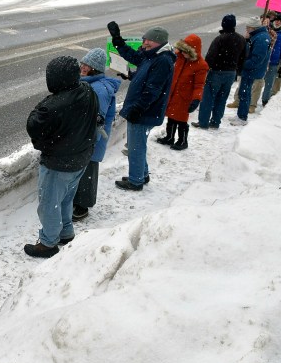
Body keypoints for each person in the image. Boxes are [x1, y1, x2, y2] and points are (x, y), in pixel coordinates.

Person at [24, 56, 99, 258]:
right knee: (66, 199)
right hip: (81, 158)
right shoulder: (87, 91)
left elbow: (34, 125)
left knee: (49, 204)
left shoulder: (54, 106)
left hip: (59, 163)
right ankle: (66, 232)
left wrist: (43, 144)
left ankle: (48, 243)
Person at [107, 22, 176, 190]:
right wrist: (118, 40)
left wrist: (137, 109)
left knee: (135, 147)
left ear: (159, 42)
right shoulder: (152, 55)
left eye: (149, 41)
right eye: (145, 39)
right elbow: (134, 58)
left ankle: (136, 181)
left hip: (144, 111)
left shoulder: (162, 60)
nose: (145, 43)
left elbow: (152, 90)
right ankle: (142, 175)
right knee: (138, 145)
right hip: (144, 109)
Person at [72, 48, 121, 221]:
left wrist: (90, 140)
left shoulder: (99, 89)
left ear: (96, 68)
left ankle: (83, 206)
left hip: (92, 138)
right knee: (83, 170)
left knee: (88, 171)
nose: (83, 67)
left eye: (88, 65)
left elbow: (97, 120)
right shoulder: (89, 83)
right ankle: (78, 201)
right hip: (86, 137)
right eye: (83, 63)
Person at [155, 34, 208, 151]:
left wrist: (196, 99)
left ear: (192, 52)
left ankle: (182, 141)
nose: (183, 53)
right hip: (173, 94)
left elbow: (199, 85)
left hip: (185, 98)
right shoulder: (178, 57)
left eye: (186, 52)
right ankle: (169, 137)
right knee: (171, 117)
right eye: (182, 50)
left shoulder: (201, 65)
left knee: (182, 121)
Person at [193, 14, 246, 130]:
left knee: (208, 98)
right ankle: (216, 121)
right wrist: (237, 70)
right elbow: (243, 57)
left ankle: (203, 122)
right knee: (222, 99)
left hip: (217, 72)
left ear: (223, 24)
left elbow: (210, 57)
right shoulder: (241, 39)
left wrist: (206, 69)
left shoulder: (220, 39)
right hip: (231, 73)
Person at [230, 17, 271, 126]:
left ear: (253, 28)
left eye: (248, 27)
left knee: (245, 94)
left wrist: (243, 64)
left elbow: (257, 59)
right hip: (251, 70)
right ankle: (241, 115)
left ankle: (242, 117)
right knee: (244, 93)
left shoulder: (261, 38)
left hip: (251, 71)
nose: (246, 29)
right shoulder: (258, 36)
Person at [261, 13, 281, 106]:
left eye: (280, 21)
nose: (278, 22)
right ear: (273, 21)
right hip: (262, 60)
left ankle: (265, 99)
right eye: (276, 20)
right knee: (257, 82)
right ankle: (252, 100)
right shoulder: (267, 30)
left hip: (273, 62)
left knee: (269, 83)